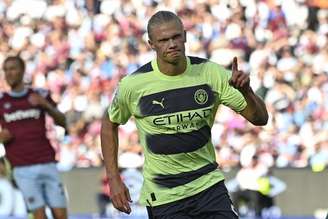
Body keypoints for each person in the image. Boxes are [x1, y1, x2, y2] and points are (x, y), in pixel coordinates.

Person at [100, 10, 268, 219]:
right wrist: (114, 179)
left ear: (185, 36)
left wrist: (247, 92)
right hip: (165, 196)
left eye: (176, 37)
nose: (172, 44)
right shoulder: (133, 85)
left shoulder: (211, 73)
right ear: (151, 44)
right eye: (163, 40)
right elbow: (109, 124)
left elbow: (260, 119)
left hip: (208, 187)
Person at [0, 56, 68, 219]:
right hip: (22, 168)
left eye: (13, 68)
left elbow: (63, 121)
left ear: (23, 71)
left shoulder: (40, 94)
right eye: (6, 69)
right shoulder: (2, 101)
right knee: (39, 215)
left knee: (60, 215)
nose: (9, 73)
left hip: (47, 161)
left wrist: (45, 105)